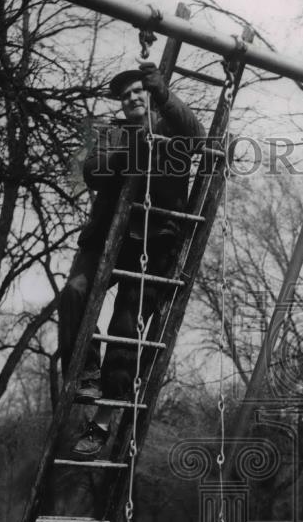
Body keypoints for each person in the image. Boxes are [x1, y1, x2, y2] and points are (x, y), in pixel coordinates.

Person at [60, 62, 204, 460]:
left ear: (151, 93)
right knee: (75, 292)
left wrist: (165, 97)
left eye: (139, 91)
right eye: (125, 97)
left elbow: (196, 135)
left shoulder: (174, 129)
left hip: (154, 241)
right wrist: (134, 149)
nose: (131, 99)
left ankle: (102, 421)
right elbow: (91, 171)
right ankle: (83, 373)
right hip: (108, 236)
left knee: (126, 327)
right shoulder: (113, 134)